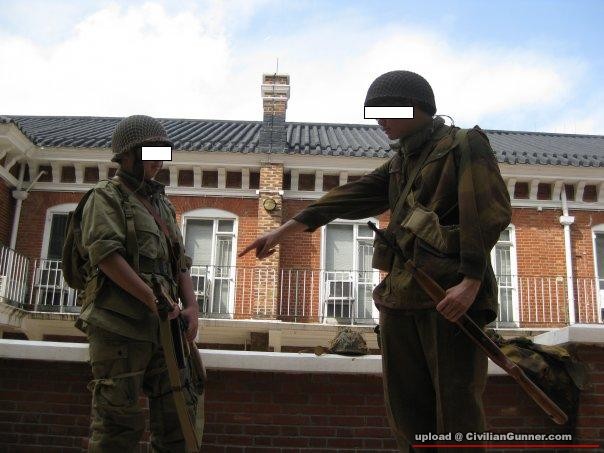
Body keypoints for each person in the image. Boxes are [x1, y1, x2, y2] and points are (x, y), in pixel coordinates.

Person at [240, 70, 512, 452]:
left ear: (414, 106)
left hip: (448, 299)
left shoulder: (464, 144)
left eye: (385, 111)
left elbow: (486, 214)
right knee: (406, 412)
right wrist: (281, 231)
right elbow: (351, 195)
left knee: (457, 410)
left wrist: (471, 282)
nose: (379, 121)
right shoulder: (401, 163)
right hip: (400, 299)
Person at [74, 115, 203, 452]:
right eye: (151, 153)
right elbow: (106, 256)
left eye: (162, 154)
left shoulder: (163, 205)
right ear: (128, 155)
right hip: (118, 328)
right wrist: (151, 298)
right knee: (118, 428)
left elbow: (179, 263)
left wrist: (192, 306)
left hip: (164, 329)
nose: (159, 162)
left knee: (178, 422)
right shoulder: (106, 196)